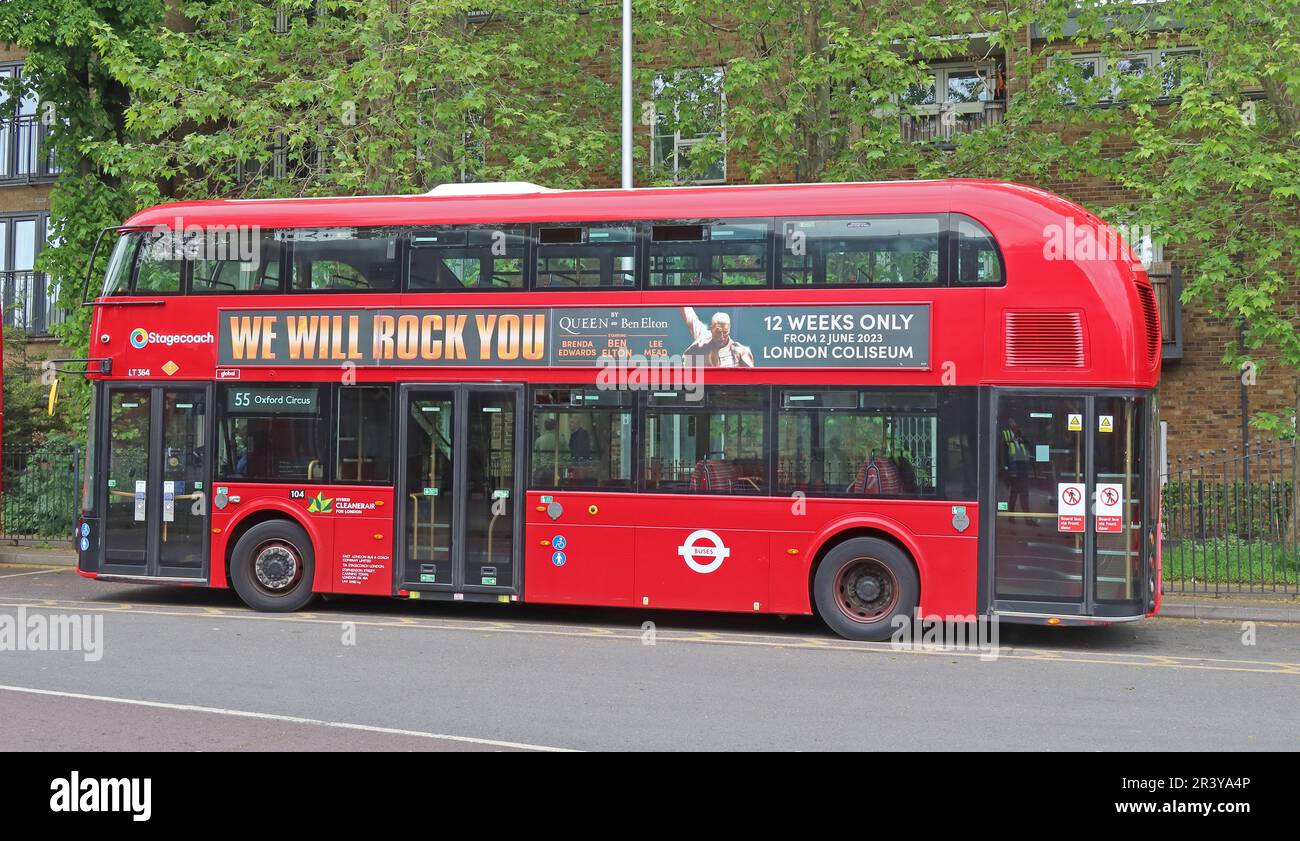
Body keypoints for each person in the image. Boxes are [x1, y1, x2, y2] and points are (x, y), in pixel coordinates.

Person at [680, 306, 755, 368]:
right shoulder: (703, 337)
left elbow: (752, 377)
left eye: (725, 332)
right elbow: (690, 318)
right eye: (718, 332)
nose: (721, 337)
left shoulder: (740, 352)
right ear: (711, 329)